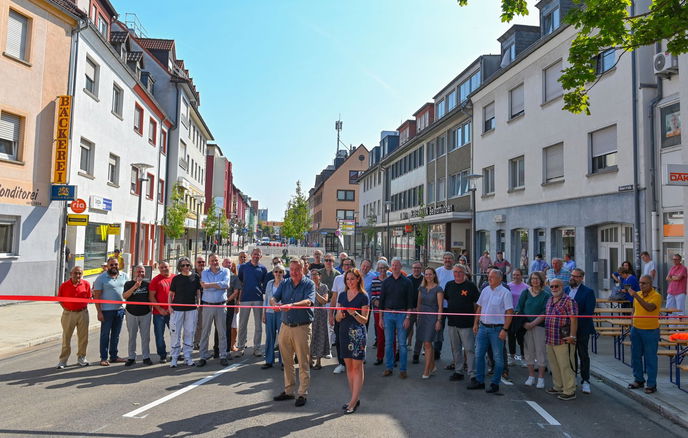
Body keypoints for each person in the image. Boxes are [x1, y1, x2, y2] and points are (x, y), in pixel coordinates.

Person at [271, 258, 316, 407]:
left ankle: (302, 393)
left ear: (303, 269)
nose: (294, 272)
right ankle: (289, 390)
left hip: (302, 327)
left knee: (303, 362)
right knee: (287, 361)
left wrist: (291, 305)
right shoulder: (284, 282)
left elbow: (309, 302)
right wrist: (274, 304)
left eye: (297, 269)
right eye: (292, 269)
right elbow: (274, 297)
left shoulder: (309, 284)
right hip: (285, 326)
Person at [468, 269, 513, 394]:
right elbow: (480, 308)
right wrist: (475, 323)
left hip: (497, 329)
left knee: (498, 358)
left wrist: (505, 329)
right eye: (489, 276)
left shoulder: (505, 293)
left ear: (500, 278)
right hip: (483, 327)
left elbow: (510, 313)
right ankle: (480, 381)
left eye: (492, 277)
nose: (489, 278)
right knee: (479, 355)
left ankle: (495, 383)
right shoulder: (485, 290)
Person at [336, 269, 370, 414]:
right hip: (343, 333)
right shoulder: (342, 295)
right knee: (349, 368)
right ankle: (354, 399)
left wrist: (353, 313)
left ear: (358, 279)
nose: (349, 281)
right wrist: (339, 315)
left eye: (352, 279)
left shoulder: (364, 296)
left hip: (357, 335)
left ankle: (353, 401)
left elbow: (364, 320)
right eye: (347, 279)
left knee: (357, 368)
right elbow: (337, 318)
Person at [379, 258, 415, 379]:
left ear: (401, 267)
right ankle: (389, 367)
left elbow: (410, 302)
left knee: (402, 344)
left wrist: (408, 317)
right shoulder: (386, 282)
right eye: (393, 265)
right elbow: (382, 302)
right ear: (391, 267)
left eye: (397, 265)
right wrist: (380, 318)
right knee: (389, 343)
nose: (394, 267)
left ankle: (403, 369)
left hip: (402, 315)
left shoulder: (407, 282)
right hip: (388, 315)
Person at [544, 278, 578, 401]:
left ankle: (569, 390)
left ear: (562, 286)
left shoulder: (569, 301)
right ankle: (558, 386)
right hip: (550, 338)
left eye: (556, 286)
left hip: (563, 339)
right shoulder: (550, 300)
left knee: (565, 365)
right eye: (552, 286)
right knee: (554, 365)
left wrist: (572, 336)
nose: (554, 288)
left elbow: (574, 319)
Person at [444, 264, 479, 382]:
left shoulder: (471, 286)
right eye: (455, 272)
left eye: (460, 272)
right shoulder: (449, 285)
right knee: (455, 348)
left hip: (466, 324)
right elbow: (448, 299)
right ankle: (458, 371)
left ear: (464, 273)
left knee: (469, 349)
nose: (457, 274)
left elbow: (476, 304)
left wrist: (476, 322)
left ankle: (472, 373)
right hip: (452, 323)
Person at [627, 275, 662, 394]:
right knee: (635, 356)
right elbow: (634, 310)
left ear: (650, 284)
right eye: (640, 283)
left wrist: (636, 295)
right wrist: (631, 324)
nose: (641, 285)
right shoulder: (638, 294)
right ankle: (639, 379)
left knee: (650, 358)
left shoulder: (656, 296)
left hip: (650, 330)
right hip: (636, 329)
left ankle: (651, 384)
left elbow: (649, 308)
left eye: (644, 283)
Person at [516, 271, 551, 389]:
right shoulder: (525, 293)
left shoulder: (546, 295)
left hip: (539, 327)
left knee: (540, 351)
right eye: (532, 279)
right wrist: (525, 323)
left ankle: (541, 378)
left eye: (537, 279)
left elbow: (544, 312)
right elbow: (519, 309)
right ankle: (531, 376)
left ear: (541, 280)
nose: (534, 281)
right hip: (525, 326)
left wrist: (533, 323)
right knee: (528, 351)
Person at [93, 256, 129, 366]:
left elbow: (128, 292)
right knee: (105, 335)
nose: (114, 266)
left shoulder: (124, 276)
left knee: (116, 335)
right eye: (111, 265)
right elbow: (97, 296)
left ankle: (114, 356)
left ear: (119, 265)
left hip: (119, 311)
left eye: (116, 264)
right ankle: (103, 358)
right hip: (106, 311)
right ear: (107, 266)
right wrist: (99, 312)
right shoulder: (101, 278)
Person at [566, 268, 596, 394]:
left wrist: (575, 322)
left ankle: (585, 381)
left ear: (581, 278)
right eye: (572, 275)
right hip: (567, 328)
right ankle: (571, 378)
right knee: (570, 355)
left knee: (583, 354)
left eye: (576, 276)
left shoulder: (588, 292)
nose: (573, 278)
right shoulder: (566, 290)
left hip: (582, 328)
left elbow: (588, 312)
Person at [198, 254, 231, 367]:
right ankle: (202, 356)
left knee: (222, 332)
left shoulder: (225, 271)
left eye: (216, 260)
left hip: (221, 306)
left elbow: (226, 284)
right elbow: (204, 286)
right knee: (205, 332)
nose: (214, 262)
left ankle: (223, 356)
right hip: (207, 306)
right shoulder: (204, 273)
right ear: (209, 262)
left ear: (219, 261)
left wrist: (210, 285)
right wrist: (217, 285)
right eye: (212, 260)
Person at [56, 266, 92, 369]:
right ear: (71, 274)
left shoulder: (86, 284)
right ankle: (63, 360)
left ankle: (81, 358)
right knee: (66, 338)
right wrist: (68, 309)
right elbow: (60, 299)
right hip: (68, 314)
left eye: (80, 273)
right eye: (75, 273)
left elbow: (89, 298)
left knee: (83, 337)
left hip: (82, 313)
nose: (77, 275)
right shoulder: (64, 285)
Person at [169, 257, 201, 367]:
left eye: (187, 265)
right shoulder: (176, 278)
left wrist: (198, 303)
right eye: (183, 265)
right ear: (179, 267)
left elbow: (198, 292)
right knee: (175, 333)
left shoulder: (195, 277)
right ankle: (174, 358)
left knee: (189, 332)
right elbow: (171, 294)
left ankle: (188, 357)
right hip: (177, 309)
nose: (185, 267)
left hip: (191, 309)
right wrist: (170, 306)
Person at [238, 248, 268, 355]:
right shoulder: (243, 267)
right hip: (245, 299)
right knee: (242, 325)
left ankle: (257, 348)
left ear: (261, 256)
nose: (256, 256)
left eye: (258, 255)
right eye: (254, 254)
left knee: (258, 326)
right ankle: (240, 347)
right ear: (251, 255)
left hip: (258, 299)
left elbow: (264, 285)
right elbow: (240, 281)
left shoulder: (263, 269)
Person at [415, 267, 444, 379]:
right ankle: (432, 366)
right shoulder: (421, 288)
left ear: (434, 275)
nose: (428, 276)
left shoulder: (438, 289)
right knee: (426, 343)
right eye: (426, 274)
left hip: (432, 317)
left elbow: (440, 307)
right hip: (422, 317)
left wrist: (438, 320)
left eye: (430, 274)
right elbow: (418, 304)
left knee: (427, 343)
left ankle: (427, 370)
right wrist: (418, 317)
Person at [123, 264, 153, 366]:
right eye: (138, 271)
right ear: (134, 272)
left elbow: (150, 298)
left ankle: (146, 357)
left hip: (145, 314)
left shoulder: (148, 284)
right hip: (131, 313)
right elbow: (125, 296)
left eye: (142, 272)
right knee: (132, 336)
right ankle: (131, 357)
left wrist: (151, 310)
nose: (140, 274)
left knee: (145, 337)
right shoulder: (128, 283)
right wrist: (135, 287)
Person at [330, 257, 355, 374]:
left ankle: (353, 362)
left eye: (349, 265)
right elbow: (334, 298)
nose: (347, 267)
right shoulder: (338, 279)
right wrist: (331, 314)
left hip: (353, 315)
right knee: (340, 340)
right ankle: (341, 363)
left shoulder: (357, 279)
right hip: (340, 314)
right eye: (345, 265)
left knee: (353, 339)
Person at [149, 261, 174, 363]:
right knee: (159, 335)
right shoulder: (155, 280)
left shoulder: (175, 278)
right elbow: (151, 296)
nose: (164, 269)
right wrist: (160, 309)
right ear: (159, 269)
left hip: (173, 312)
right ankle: (162, 355)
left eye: (166, 267)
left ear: (170, 267)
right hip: (159, 313)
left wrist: (171, 308)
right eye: (162, 267)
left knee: (175, 335)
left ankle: (174, 354)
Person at [216, 258, 241, 357]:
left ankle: (227, 350)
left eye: (230, 263)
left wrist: (226, 300)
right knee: (218, 327)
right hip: (218, 304)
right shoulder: (217, 275)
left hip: (229, 304)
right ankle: (217, 350)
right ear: (222, 264)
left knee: (227, 327)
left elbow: (236, 292)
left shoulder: (234, 277)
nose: (228, 264)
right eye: (226, 262)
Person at [262, 264, 285, 369]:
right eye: (276, 271)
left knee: (282, 337)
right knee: (270, 337)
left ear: (283, 273)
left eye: (280, 272)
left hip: (282, 312)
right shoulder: (269, 283)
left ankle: (283, 361)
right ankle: (269, 360)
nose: (278, 274)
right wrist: (264, 313)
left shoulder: (286, 283)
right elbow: (266, 299)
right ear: (273, 273)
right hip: (270, 313)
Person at [434, 252, 455, 361]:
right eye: (445, 258)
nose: (447, 260)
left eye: (450, 258)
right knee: (438, 329)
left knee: (454, 332)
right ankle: (436, 351)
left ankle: (455, 355)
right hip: (440, 306)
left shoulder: (456, 271)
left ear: (453, 260)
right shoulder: (438, 272)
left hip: (453, 307)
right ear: (443, 260)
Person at [370, 260, 392, 366]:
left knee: (391, 336)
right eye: (380, 268)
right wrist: (377, 302)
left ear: (387, 268)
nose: (382, 270)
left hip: (389, 310)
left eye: (384, 267)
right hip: (378, 311)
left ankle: (391, 358)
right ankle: (379, 357)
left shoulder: (391, 280)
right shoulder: (374, 281)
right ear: (377, 269)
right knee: (380, 335)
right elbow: (373, 296)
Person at [310, 269, 331, 369]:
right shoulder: (308, 286)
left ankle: (318, 361)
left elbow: (324, 301)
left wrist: (315, 292)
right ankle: (309, 360)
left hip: (321, 315)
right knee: (310, 336)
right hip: (310, 314)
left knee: (321, 335)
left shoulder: (324, 287)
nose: (313, 276)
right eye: (312, 274)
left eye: (315, 274)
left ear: (320, 276)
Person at [507, 269, 528, 365]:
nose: (516, 276)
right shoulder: (508, 286)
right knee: (511, 336)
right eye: (514, 275)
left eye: (518, 275)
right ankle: (512, 356)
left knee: (521, 337)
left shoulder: (526, 287)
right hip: (510, 314)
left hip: (521, 315)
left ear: (522, 276)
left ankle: (524, 357)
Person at [407, 262, 424, 364]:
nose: (416, 270)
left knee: (419, 334)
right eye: (414, 268)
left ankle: (416, 354)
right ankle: (400, 351)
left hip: (421, 311)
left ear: (421, 269)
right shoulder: (408, 279)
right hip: (410, 309)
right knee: (405, 332)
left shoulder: (425, 279)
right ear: (412, 269)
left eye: (418, 268)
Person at [193, 256, 206, 350]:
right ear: (195, 263)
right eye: (199, 262)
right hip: (191, 302)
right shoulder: (191, 274)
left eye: (203, 262)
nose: (201, 264)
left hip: (205, 302)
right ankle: (189, 343)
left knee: (201, 324)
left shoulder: (207, 273)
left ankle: (198, 342)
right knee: (190, 324)